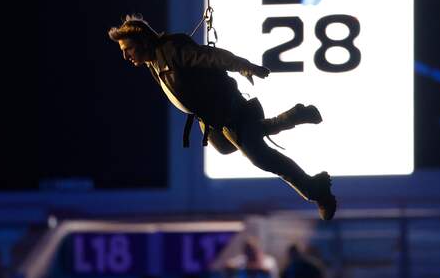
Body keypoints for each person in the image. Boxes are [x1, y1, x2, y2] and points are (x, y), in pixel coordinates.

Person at [108, 15, 337, 220]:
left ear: (143, 42)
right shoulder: (152, 61)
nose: (126, 56)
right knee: (227, 147)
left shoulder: (172, 50)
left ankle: (316, 189)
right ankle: (291, 117)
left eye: (128, 49)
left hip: (227, 109)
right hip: (210, 118)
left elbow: (211, 57)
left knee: (261, 157)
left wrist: (244, 66)